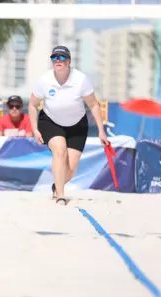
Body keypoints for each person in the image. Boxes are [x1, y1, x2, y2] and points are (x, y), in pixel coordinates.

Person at [28, 45, 108, 205]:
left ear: (69, 61)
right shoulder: (44, 80)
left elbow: (93, 105)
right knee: (60, 151)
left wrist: (101, 130)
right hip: (50, 121)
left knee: (70, 172)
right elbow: (32, 105)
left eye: (62, 57)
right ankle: (60, 196)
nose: (58, 60)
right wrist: (35, 129)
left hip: (77, 125)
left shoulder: (80, 79)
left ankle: (56, 186)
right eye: (55, 57)